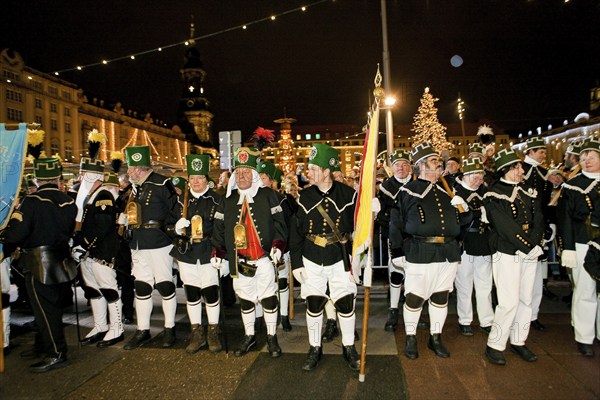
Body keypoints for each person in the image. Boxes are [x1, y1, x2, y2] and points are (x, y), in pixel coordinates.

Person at [389, 142, 471, 360]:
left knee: (440, 297)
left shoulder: (448, 191)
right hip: (419, 251)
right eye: (435, 161)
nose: (440, 165)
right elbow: (396, 223)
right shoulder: (407, 191)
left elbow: (464, 223)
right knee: (414, 298)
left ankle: (435, 338)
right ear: (422, 166)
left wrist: (464, 208)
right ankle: (411, 337)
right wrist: (396, 252)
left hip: (447, 252)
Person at [289, 143, 360, 371]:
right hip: (312, 257)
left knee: (345, 304)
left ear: (327, 171)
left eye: (313, 168)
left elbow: (358, 230)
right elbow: (296, 233)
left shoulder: (349, 195)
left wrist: (360, 258)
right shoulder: (304, 197)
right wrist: (297, 263)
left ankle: (349, 347)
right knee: (314, 303)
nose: (308, 172)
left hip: (340, 257)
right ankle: (314, 348)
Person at [3, 157, 77, 372]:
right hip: (60, 260)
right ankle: (44, 346)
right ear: (57, 178)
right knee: (51, 308)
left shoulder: (32, 201)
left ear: (36, 179)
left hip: (38, 262)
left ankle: (56, 352)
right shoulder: (67, 201)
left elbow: (16, 233)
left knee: (44, 311)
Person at [213, 147, 287, 358]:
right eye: (238, 172)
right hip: (240, 260)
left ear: (254, 175)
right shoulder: (227, 199)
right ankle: (249, 335)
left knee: (268, 298)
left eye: (246, 172)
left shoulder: (268, 195)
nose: (242, 176)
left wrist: (277, 246)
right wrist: (218, 252)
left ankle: (272, 337)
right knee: (245, 299)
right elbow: (218, 228)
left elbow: (280, 223)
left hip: (264, 258)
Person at [483, 148, 544, 366]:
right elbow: (504, 225)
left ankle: (518, 340)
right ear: (505, 170)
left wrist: (535, 242)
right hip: (507, 251)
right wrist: (527, 245)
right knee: (508, 301)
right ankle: (495, 344)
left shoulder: (528, 189)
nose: (521, 170)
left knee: (525, 299)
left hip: (529, 250)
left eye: (520, 166)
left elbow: (538, 218)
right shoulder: (494, 193)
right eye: (516, 167)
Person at [121, 145, 180, 350]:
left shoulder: (162, 183)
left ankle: (170, 328)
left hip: (158, 242)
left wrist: (171, 232)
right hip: (137, 242)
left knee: (165, 285)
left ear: (139, 168)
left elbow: (175, 211)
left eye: (130, 168)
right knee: (142, 286)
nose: (128, 172)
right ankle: (142, 330)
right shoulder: (134, 188)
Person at [171, 154, 225, 353]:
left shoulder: (217, 200)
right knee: (192, 293)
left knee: (210, 293)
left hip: (208, 252)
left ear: (206, 179)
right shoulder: (178, 202)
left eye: (200, 178)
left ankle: (213, 330)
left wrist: (222, 253)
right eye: (192, 178)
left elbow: (222, 228)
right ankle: (196, 332)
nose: (196, 182)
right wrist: (176, 229)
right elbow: (167, 224)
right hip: (186, 253)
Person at [72, 170, 124, 347]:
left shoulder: (104, 194)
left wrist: (86, 244)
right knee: (93, 290)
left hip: (101, 251)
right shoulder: (92, 195)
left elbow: (103, 225)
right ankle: (100, 326)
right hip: (90, 252)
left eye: (83, 175)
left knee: (109, 289)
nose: (80, 179)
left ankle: (117, 328)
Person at [558, 137, 600, 357]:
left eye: (592, 157)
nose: (586, 161)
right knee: (585, 290)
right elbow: (565, 218)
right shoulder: (573, 185)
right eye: (583, 158)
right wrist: (568, 248)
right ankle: (584, 337)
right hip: (583, 242)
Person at [453, 158, 494, 336]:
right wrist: (474, 213)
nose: (478, 181)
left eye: (480, 177)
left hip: (484, 241)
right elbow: (459, 220)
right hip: (466, 242)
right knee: (464, 284)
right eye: (475, 177)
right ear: (465, 175)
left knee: (485, 284)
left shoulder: (485, 191)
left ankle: (487, 320)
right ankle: (465, 320)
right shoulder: (456, 192)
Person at [521, 137, 556, 330]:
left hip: (539, 227)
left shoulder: (544, 173)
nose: (544, 154)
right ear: (530, 152)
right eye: (540, 151)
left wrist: (546, 224)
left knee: (535, 275)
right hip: (522, 229)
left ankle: (533, 314)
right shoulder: (518, 169)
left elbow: (545, 203)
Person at [375, 149, 412, 331]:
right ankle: (393, 310)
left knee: (414, 275)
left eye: (405, 164)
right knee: (396, 273)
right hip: (394, 237)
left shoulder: (418, 184)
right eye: (397, 165)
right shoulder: (386, 187)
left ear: (410, 167)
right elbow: (382, 215)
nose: (401, 168)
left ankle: (413, 310)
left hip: (415, 238)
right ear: (392, 167)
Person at [257, 160, 294, 332]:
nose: (260, 180)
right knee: (262, 284)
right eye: (259, 177)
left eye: (263, 178)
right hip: (260, 252)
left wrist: (282, 247)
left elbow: (286, 225)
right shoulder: (251, 199)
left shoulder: (282, 200)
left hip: (280, 249)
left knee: (282, 283)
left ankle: (284, 315)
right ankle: (261, 317)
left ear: (271, 181)